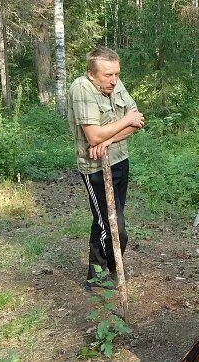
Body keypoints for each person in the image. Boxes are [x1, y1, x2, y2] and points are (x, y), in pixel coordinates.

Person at [67, 47, 144, 289]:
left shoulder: (115, 84)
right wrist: (121, 124)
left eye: (116, 74)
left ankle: (103, 272)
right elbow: (93, 136)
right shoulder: (82, 88)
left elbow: (138, 121)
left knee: (108, 220)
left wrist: (108, 140)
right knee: (111, 226)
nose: (114, 81)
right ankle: (101, 275)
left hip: (120, 160)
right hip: (95, 167)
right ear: (92, 74)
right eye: (107, 76)